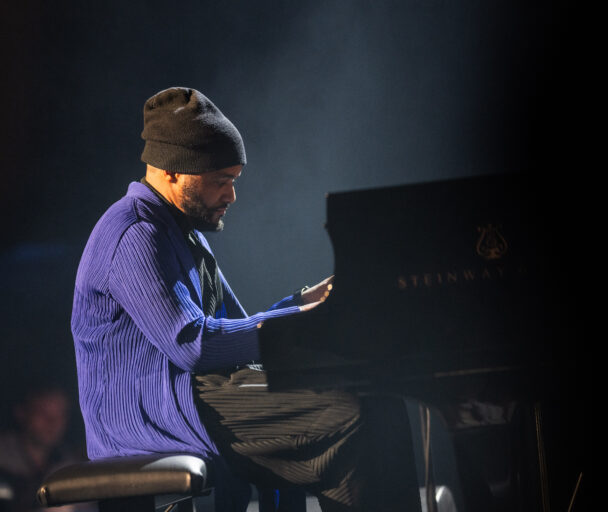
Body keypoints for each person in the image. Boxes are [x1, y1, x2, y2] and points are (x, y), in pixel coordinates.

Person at [71, 87, 420, 511]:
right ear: (174, 171)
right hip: (154, 412)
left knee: (377, 407)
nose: (231, 196)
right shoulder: (135, 233)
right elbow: (194, 345)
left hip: (192, 393)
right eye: (221, 181)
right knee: (347, 415)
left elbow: (236, 326)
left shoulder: (181, 232)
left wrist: (306, 300)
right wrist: (304, 319)